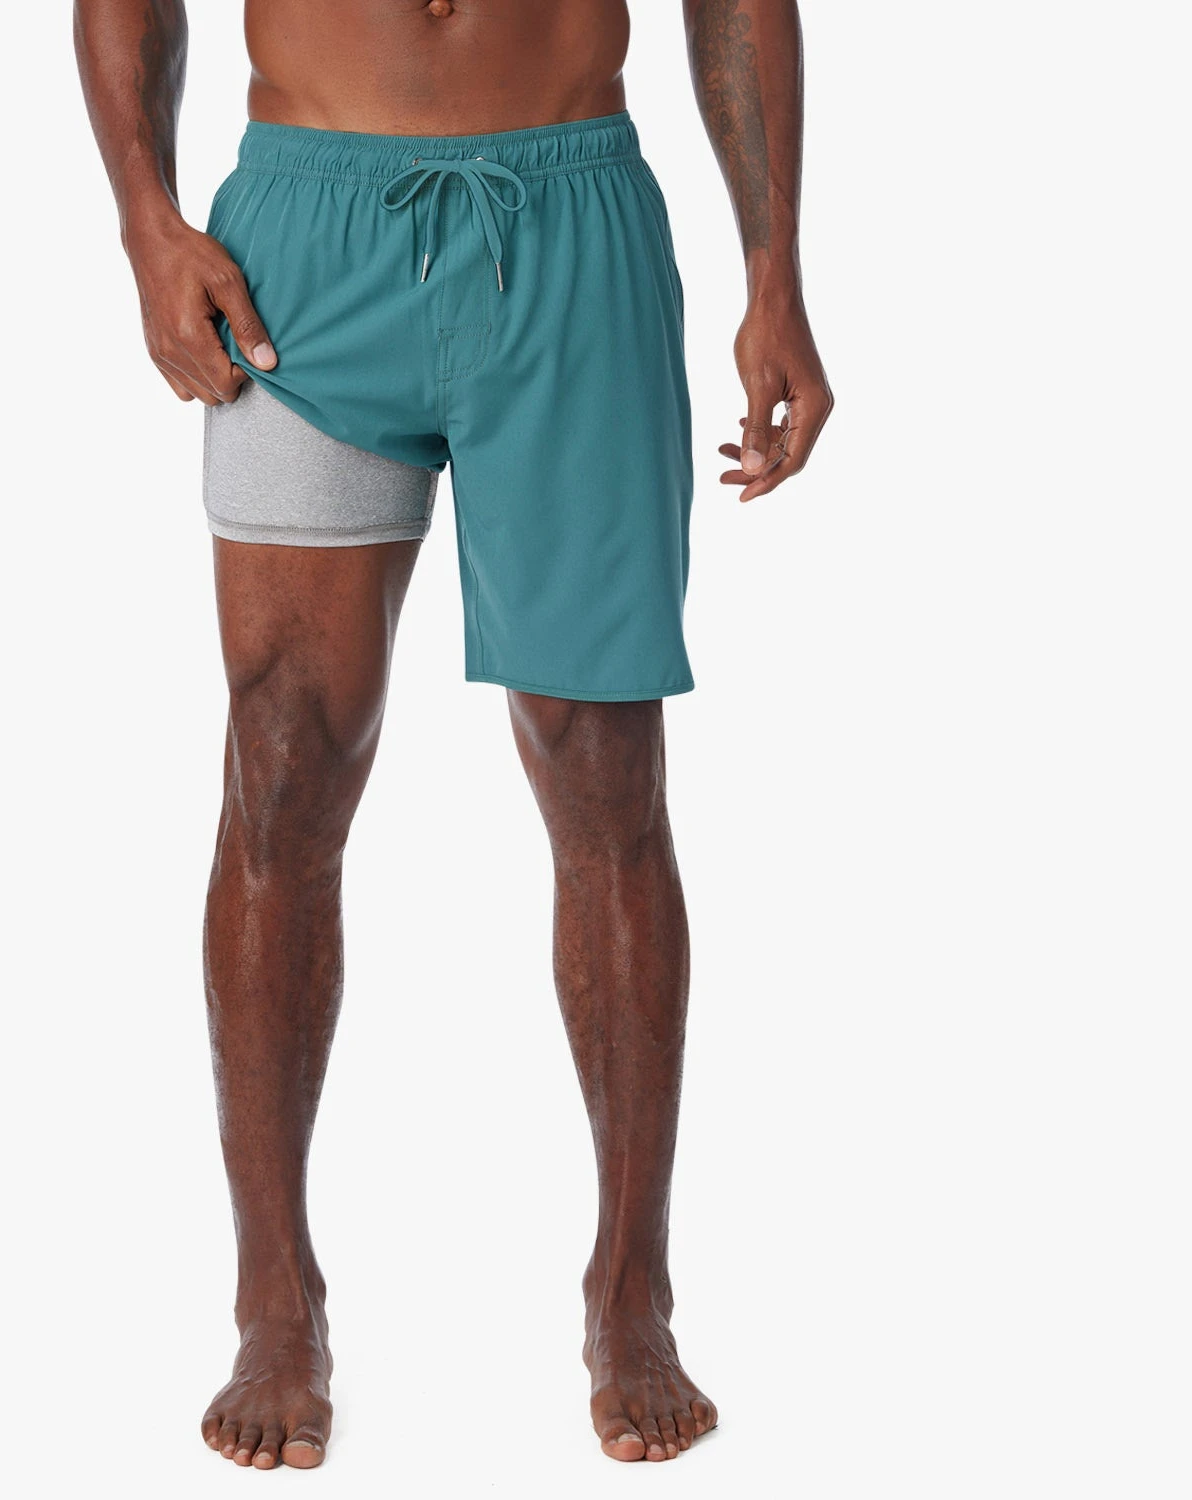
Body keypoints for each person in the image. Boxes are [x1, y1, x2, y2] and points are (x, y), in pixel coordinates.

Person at [74, 0, 831, 1469]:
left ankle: (631, 1290)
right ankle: (275, 1298)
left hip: (573, 228)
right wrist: (145, 224)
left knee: (606, 778)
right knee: (282, 767)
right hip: (302, 247)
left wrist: (775, 267)